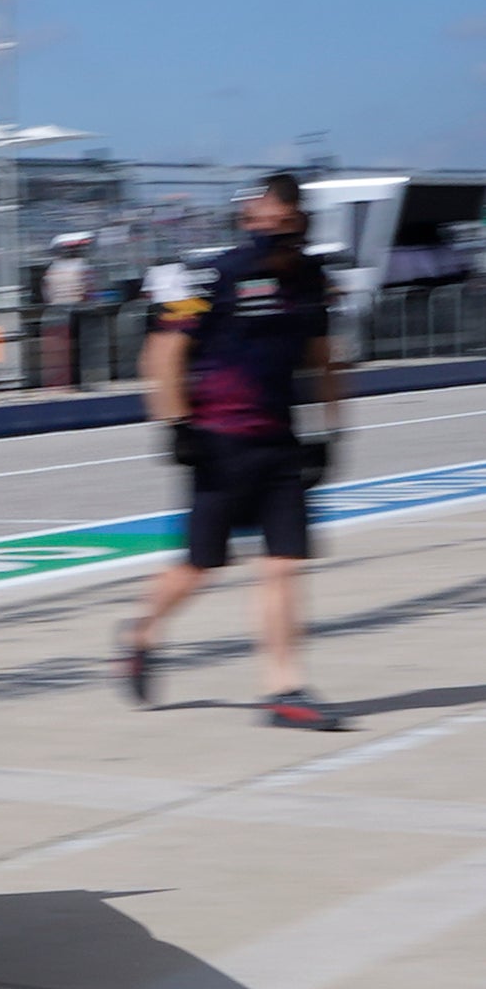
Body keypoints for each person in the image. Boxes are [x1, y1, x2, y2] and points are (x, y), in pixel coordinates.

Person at [122, 172, 347, 731]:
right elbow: (163, 352)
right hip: (218, 443)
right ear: (247, 222)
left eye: (282, 224)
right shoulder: (214, 275)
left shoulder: (313, 280)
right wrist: (176, 424)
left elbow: (325, 358)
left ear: (299, 223)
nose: (270, 234)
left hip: (280, 442)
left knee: (283, 565)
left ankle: (283, 690)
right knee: (201, 566)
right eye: (259, 223)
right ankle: (141, 633)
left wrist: (330, 430)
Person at [41, 231, 98, 386]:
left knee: (62, 350)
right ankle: (79, 381)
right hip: (77, 311)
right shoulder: (83, 266)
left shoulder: (52, 268)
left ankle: (64, 382)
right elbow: (88, 290)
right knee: (81, 349)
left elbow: (47, 293)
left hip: (56, 311)